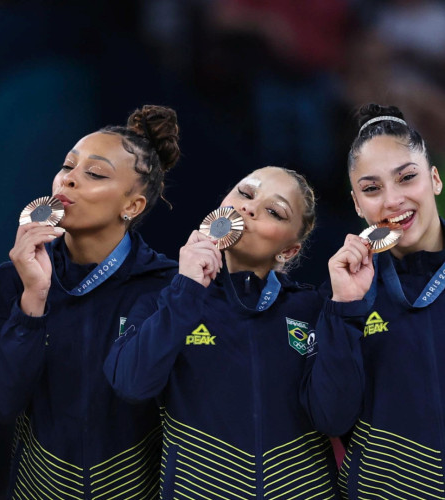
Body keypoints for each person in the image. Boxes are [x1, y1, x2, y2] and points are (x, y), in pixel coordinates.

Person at [0, 105, 181, 499]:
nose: (68, 180)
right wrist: (32, 302)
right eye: (67, 167)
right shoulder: (10, 280)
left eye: (95, 173)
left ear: (132, 206)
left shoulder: (168, 289)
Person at [105, 166, 340, 498]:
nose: (249, 207)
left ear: (288, 251)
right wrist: (185, 291)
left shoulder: (312, 311)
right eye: (245, 193)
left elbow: (337, 417)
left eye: (274, 211)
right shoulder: (160, 303)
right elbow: (131, 385)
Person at [302, 104, 445, 499]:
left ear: (434, 179)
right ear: (355, 204)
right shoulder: (339, 298)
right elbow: (331, 417)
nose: (393, 200)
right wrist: (346, 309)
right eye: (372, 188)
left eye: (407, 178)